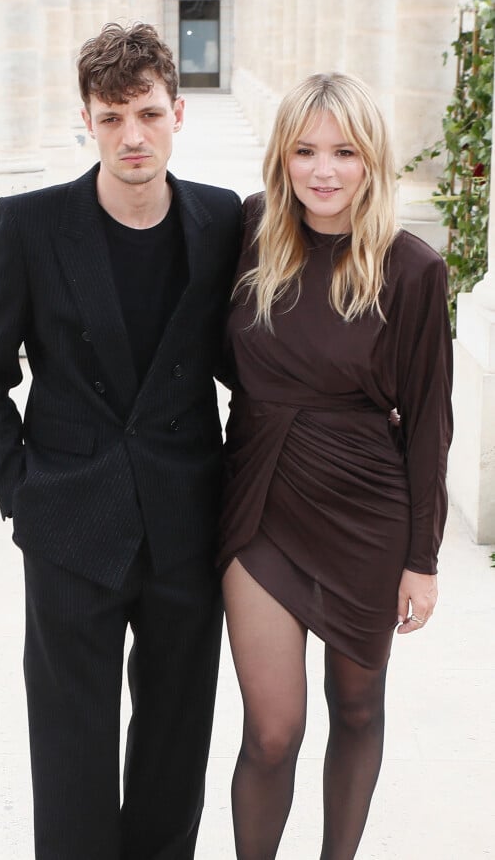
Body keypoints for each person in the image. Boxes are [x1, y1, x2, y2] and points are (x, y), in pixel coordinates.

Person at [0, 22, 241, 860]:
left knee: (175, 740)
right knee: (70, 745)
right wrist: (24, 495)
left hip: (186, 520)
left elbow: (246, 360)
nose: (132, 136)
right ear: (87, 118)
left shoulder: (221, 220)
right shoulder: (33, 226)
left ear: (177, 113)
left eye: (148, 113)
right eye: (112, 117)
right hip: (70, 525)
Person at [218, 72, 453, 860]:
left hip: (366, 509)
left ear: (371, 160)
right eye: (305, 150)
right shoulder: (251, 233)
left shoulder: (413, 267)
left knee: (356, 709)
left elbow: (428, 425)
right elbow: (215, 352)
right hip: (259, 500)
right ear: (282, 158)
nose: (324, 170)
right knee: (274, 729)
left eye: (344, 152)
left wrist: (421, 560)